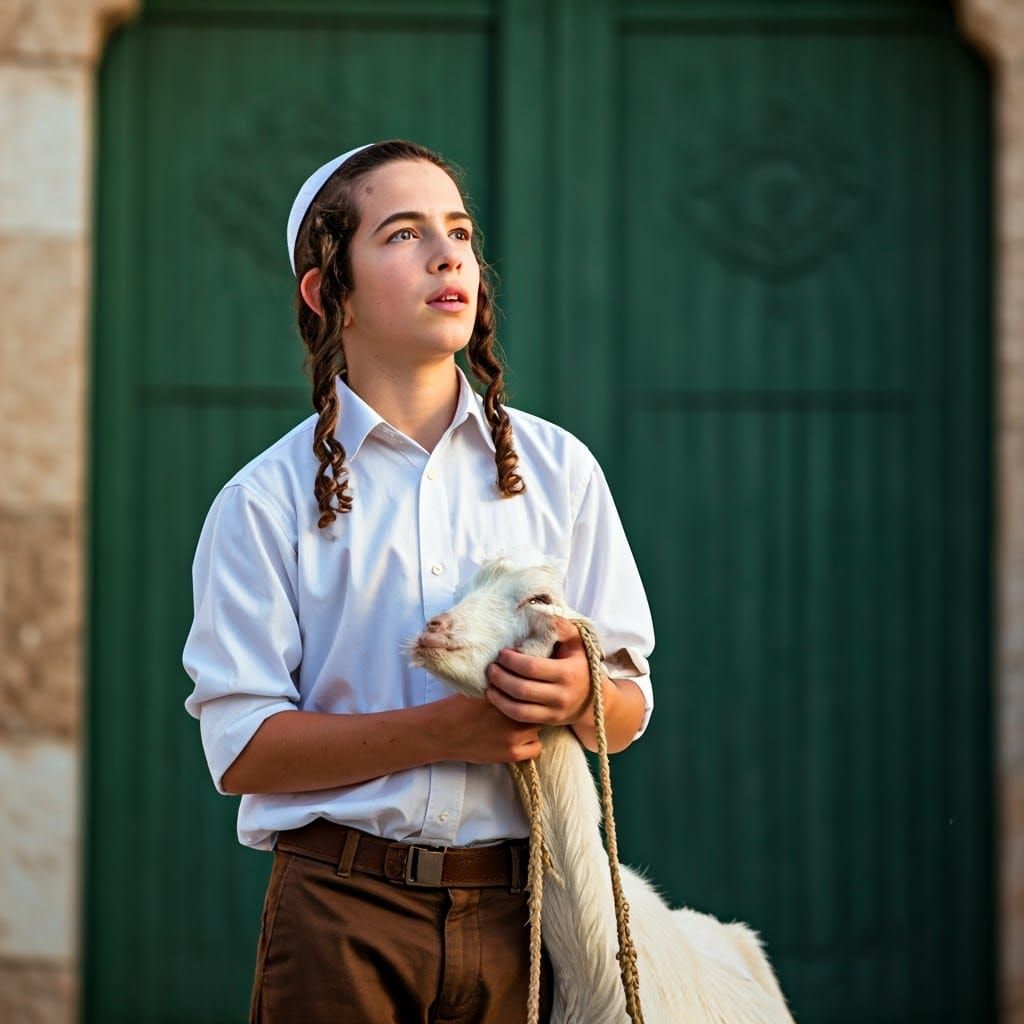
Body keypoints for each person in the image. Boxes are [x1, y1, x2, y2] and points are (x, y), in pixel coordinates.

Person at [182, 138, 656, 1024]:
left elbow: (626, 708)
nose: (448, 255)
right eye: (402, 234)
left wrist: (578, 690)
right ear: (331, 295)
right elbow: (242, 748)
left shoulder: (561, 471)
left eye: (460, 232)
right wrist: (450, 730)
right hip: (339, 914)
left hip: (531, 920)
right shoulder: (263, 503)